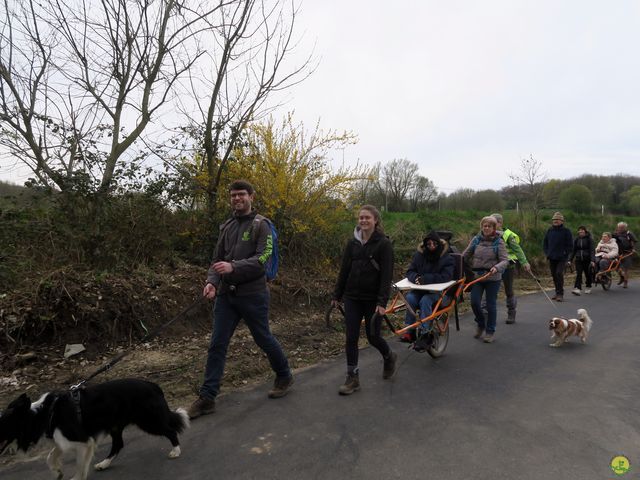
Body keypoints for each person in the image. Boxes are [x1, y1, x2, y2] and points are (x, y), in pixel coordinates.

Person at [187, 180, 293, 419]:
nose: (237, 199)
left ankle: (284, 374)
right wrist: (211, 282)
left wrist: (232, 267)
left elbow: (263, 259)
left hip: (253, 295)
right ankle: (207, 397)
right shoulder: (226, 226)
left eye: (241, 195)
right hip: (226, 296)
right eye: (233, 195)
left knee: (263, 338)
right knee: (217, 344)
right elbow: (217, 259)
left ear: (251, 197)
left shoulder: (261, 225)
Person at [332, 205, 396, 395]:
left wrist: (382, 303)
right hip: (352, 297)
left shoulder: (383, 244)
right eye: (361, 218)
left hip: (372, 299)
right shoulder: (352, 243)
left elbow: (386, 276)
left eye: (367, 218)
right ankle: (353, 377)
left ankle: (388, 356)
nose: (363, 221)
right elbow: (344, 270)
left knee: (373, 337)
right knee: (350, 337)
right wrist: (337, 295)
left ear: (375, 220)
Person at [401, 231, 455, 343]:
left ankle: (424, 333)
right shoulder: (419, 256)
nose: (431, 246)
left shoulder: (446, 258)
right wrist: (415, 277)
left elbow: (446, 276)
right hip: (420, 290)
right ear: (425, 245)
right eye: (429, 244)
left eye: (434, 243)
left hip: (440, 293)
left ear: (438, 244)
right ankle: (410, 331)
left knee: (425, 300)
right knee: (410, 298)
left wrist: (426, 279)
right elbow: (410, 271)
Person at [462, 216, 509, 343]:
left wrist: (496, 267)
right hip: (478, 277)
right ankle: (481, 324)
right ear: (481, 227)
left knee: (490, 305)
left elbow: (505, 260)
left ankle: (490, 331)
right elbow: (465, 255)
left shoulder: (499, 241)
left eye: (489, 226)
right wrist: (454, 262)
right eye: (484, 226)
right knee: (474, 302)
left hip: (493, 278)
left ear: (494, 228)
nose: (486, 228)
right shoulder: (476, 240)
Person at [489, 213, 532, 324]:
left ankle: (511, 312)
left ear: (500, 223)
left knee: (508, 290)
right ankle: (486, 314)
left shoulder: (508, 235)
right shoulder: (489, 234)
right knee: (490, 290)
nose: (490, 225)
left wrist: (524, 262)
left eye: (493, 223)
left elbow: (518, 250)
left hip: (508, 266)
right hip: (494, 267)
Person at [542, 212, 573, 302]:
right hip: (552, 257)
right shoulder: (550, 230)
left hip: (562, 257)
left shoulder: (566, 231)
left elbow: (570, 245)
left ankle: (560, 294)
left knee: (559, 273)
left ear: (562, 221)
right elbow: (545, 243)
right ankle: (557, 292)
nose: (555, 221)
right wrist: (547, 252)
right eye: (554, 220)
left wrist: (566, 254)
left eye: (557, 220)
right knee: (554, 275)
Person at [568, 226, 596, 295]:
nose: (581, 232)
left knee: (588, 274)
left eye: (582, 231)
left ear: (585, 231)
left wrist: (592, 260)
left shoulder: (589, 239)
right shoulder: (576, 239)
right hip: (578, 259)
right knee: (579, 273)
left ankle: (588, 286)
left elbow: (592, 250)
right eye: (579, 231)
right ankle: (577, 288)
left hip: (587, 259)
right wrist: (569, 260)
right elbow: (573, 250)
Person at [613, 222, 637, 288]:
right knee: (616, 267)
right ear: (617, 227)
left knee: (625, 268)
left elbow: (633, 241)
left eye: (622, 227)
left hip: (627, 253)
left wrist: (633, 249)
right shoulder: (615, 233)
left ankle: (625, 282)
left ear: (625, 227)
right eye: (620, 227)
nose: (621, 228)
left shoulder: (629, 233)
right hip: (617, 253)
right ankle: (622, 277)